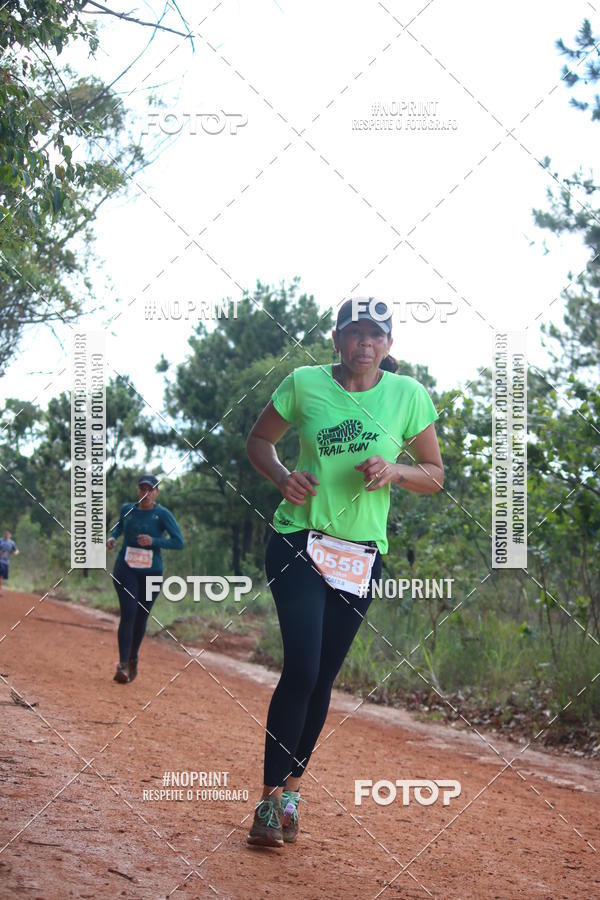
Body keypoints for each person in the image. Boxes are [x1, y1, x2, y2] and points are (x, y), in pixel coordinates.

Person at [244, 297, 444, 847]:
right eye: (354, 334)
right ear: (337, 339)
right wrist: (283, 476)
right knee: (302, 668)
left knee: (324, 678)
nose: (364, 344)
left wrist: (397, 471)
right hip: (298, 541)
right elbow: (259, 441)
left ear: (389, 342)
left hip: (361, 556)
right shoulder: (305, 383)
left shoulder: (408, 396)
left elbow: (434, 473)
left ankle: (291, 791)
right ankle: (265, 803)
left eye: (375, 335)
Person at [106, 474, 184, 683]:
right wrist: (113, 537)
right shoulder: (127, 509)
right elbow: (119, 526)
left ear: (156, 492)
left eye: (150, 489)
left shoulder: (162, 514)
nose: (145, 493)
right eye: (142, 489)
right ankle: (122, 665)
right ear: (137, 490)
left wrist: (154, 541)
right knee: (129, 613)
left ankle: (133, 660)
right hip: (126, 568)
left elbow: (179, 542)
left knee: (141, 617)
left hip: (152, 573)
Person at [0, 530, 19, 595]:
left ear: (10, 535)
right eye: (6, 534)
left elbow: (16, 551)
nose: (6, 535)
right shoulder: (1, 541)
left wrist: (14, 553)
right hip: (0, 561)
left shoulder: (11, 543)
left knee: (1, 576)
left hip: (6, 562)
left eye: (8, 534)